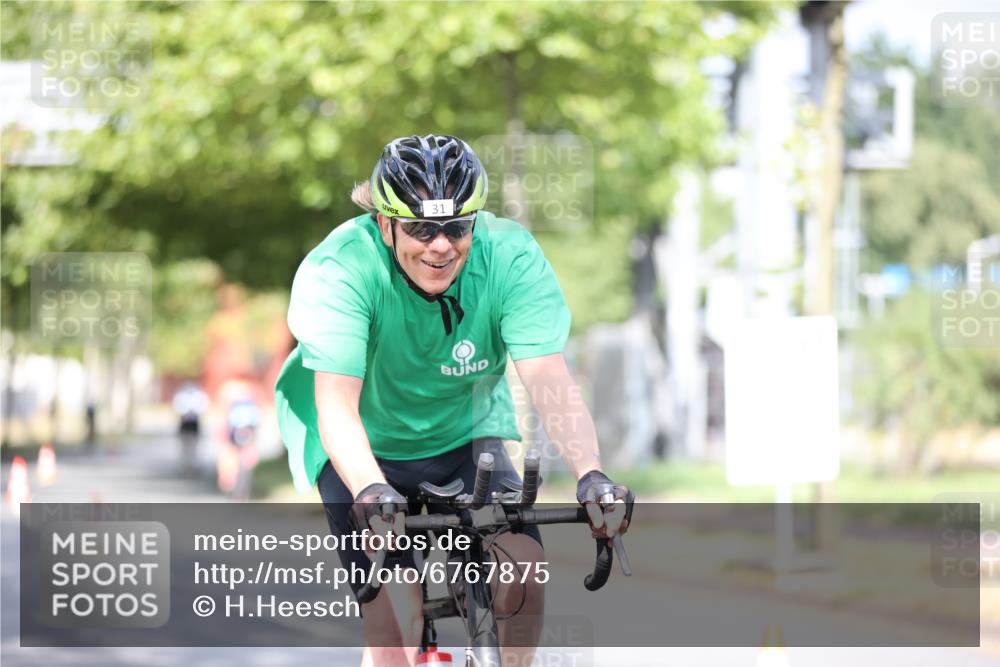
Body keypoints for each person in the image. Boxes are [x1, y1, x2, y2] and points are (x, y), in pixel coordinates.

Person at [274, 134, 633, 667]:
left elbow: (548, 380)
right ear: (383, 223)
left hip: (467, 437)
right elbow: (336, 405)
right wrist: (371, 489)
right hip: (364, 449)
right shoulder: (342, 270)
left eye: (456, 227)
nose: (440, 245)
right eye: (419, 228)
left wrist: (591, 474)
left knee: (522, 571)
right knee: (398, 607)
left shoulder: (509, 256)